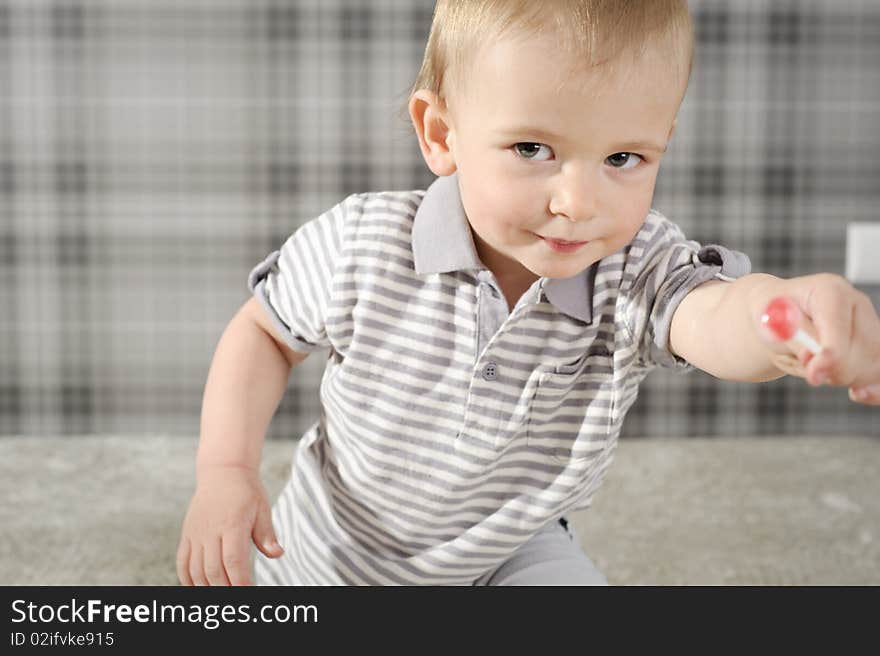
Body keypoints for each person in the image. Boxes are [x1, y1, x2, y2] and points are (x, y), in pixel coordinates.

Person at [177, 0, 880, 586]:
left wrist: (777, 318)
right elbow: (264, 333)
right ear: (442, 133)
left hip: (509, 552)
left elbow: (711, 314)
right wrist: (226, 470)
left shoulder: (636, 269)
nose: (578, 202)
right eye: (533, 150)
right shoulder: (361, 244)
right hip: (327, 552)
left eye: (622, 158)